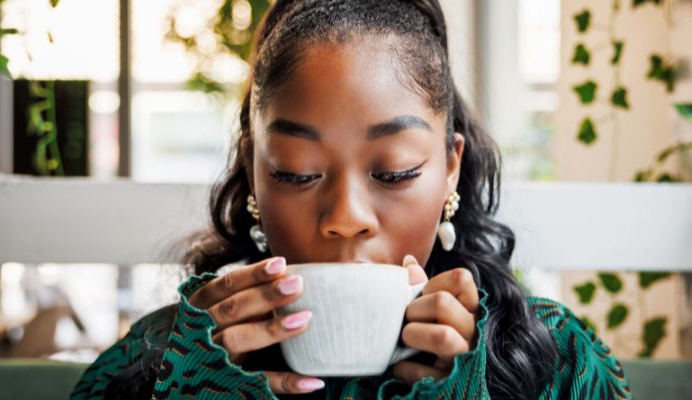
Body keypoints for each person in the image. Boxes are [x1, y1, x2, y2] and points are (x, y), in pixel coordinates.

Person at [71, 0, 631, 399]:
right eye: (296, 173)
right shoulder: (164, 360)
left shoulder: (552, 360)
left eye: (394, 172)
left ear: (449, 169)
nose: (345, 218)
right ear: (253, 176)